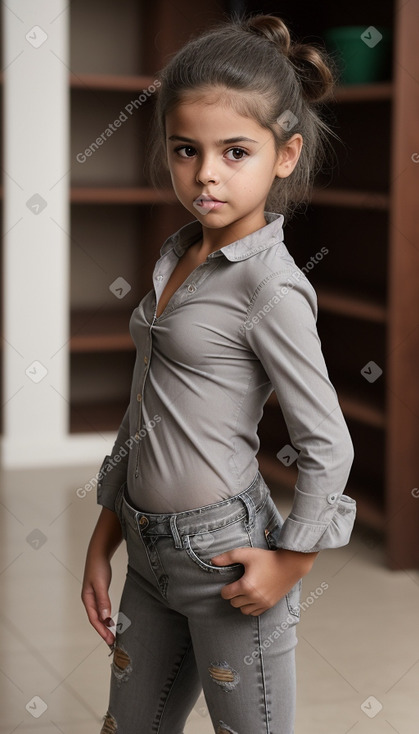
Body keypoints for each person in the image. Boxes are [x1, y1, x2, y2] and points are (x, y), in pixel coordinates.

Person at [81, 13, 356, 734]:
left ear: (285, 155)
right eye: (185, 150)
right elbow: (146, 412)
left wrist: (290, 562)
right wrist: (103, 539)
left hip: (223, 561)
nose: (205, 173)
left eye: (235, 151)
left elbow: (328, 445)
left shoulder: (272, 288)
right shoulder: (178, 258)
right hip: (145, 551)